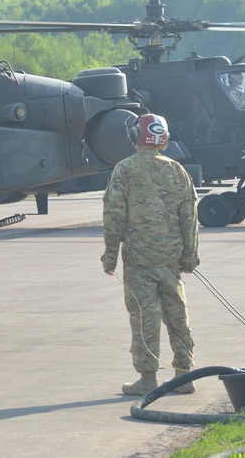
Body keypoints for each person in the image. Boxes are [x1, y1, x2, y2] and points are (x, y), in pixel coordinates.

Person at [102, 114, 199, 396]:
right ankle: (184, 376)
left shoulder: (124, 170)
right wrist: (190, 258)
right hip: (171, 259)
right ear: (163, 138)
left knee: (145, 316)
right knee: (177, 315)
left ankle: (147, 378)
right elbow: (189, 217)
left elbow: (113, 216)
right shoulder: (177, 170)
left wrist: (109, 257)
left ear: (137, 137)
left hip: (138, 260)